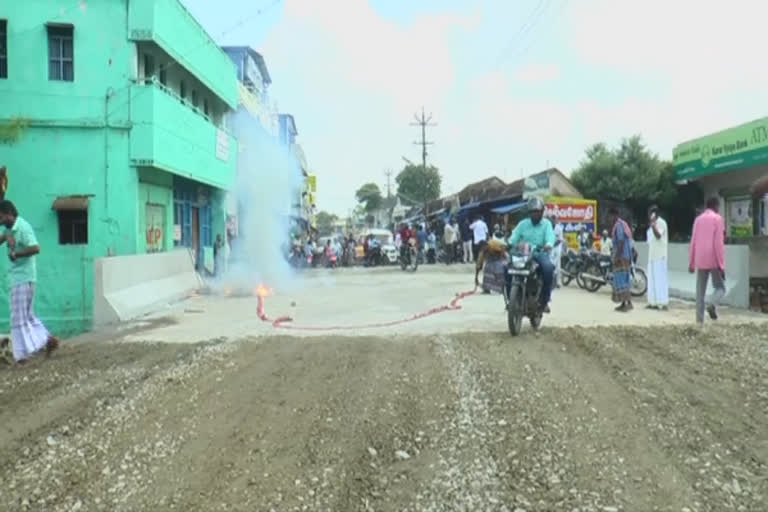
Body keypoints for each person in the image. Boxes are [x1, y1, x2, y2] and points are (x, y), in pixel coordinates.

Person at [0, 200, 59, 365]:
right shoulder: (9, 229)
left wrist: (16, 254)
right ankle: (48, 341)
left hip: (23, 278)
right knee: (28, 316)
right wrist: (7, 240)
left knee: (17, 319)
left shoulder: (23, 227)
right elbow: (4, 238)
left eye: (1, 216)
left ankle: (22, 357)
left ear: (8, 214)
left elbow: (36, 248)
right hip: (20, 278)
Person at [507, 197, 556, 312]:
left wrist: (548, 244)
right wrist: (508, 244)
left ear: (542, 212)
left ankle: (544, 300)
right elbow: (514, 238)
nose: (535, 214)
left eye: (537, 212)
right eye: (532, 212)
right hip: (522, 254)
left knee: (548, 269)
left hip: (540, 253)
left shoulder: (547, 224)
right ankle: (511, 299)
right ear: (529, 213)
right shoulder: (523, 224)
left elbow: (550, 237)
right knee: (506, 268)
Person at [689, 197, 726, 324]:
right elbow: (718, 244)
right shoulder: (718, 219)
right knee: (720, 288)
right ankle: (711, 303)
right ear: (715, 206)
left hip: (700, 258)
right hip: (713, 258)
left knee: (700, 292)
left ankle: (699, 322)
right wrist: (721, 265)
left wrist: (691, 262)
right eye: (718, 207)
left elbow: (693, 241)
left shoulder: (698, 220)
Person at [608, 207, 634, 312]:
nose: (609, 219)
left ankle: (627, 303)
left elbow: (621, 242)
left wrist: (617, 257)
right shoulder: (622, 224)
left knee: (622, 280)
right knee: (624, 280)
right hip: (625, 257)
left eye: (610, 216)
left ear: (615, 216)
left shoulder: (618, 226)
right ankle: (625, 303)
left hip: (622, 257)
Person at [646, 205, 669, 310]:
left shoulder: (661, 223)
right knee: (652, 280)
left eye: (651, 213)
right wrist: (651, 225)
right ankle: (652, 302)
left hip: (660, 256)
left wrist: (653, 225)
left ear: (655, 214)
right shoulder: (651, 225)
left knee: (660, 280)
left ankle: (662, 302)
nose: (649, 215)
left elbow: (658, 235)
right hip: (652, 255)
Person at [551, 216, 565, 288]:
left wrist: (554, 245)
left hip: (557, 247)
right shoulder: (548, 228)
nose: (553, 221)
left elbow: (560, 240)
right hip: (550, 247)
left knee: (558, 265)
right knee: (550, 264)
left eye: (554, 220)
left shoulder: (559, 228)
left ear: (556, 221)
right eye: (552, 220)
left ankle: (558, 282)